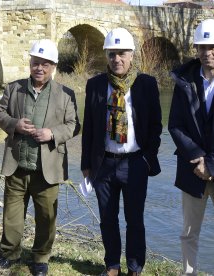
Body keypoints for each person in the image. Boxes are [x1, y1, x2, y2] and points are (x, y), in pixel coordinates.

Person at [0, 39, 80, 276]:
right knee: (12, 215)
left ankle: (41, 258)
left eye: (44, 64)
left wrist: (52, 133)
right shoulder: (14, 88)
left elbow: (74, 125)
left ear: (53, 66)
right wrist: (14, 124)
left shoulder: (66, 94)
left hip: (48, 167)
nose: (39, 68)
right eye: (35, 63)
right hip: (17, 163)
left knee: (46, 217)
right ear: (30, 63)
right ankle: (9, 253)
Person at [80, 28, 162, 276]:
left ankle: (135, 267)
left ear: (132, 55)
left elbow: (157, 125)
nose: (117, 59)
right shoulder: (95, 85)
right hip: (104, 163)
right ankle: (112, 265)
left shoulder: (146, 84)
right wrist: (86, 164)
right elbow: (89, 128)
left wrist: (148, 158)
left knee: (134, 220)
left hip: (136, 162)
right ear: (107, 55)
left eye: (122, 53)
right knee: (107, 218)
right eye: (112, 54)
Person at [168, 19, 214, 275]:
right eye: (202, 46)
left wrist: (211, 163)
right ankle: (189, 273)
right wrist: (197, 157)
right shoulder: (184, 81)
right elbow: (174, 125)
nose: (207, 52)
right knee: (188, 231)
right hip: (192, 167)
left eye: (212, 46)